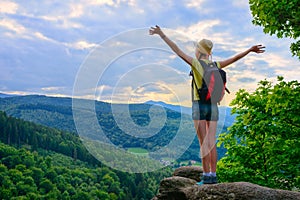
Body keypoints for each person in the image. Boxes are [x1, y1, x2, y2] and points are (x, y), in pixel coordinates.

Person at [149, 25, 265, 184]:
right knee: (211, 142)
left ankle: (205, 177)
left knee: (203, 142)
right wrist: (249, 50)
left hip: (199, 105)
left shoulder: (196, 64)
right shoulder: (216, 65)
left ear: (199, 50)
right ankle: (213, 176)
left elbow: (176, 49)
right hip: (213, 106)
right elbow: (235, 58)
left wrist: (162, 34)